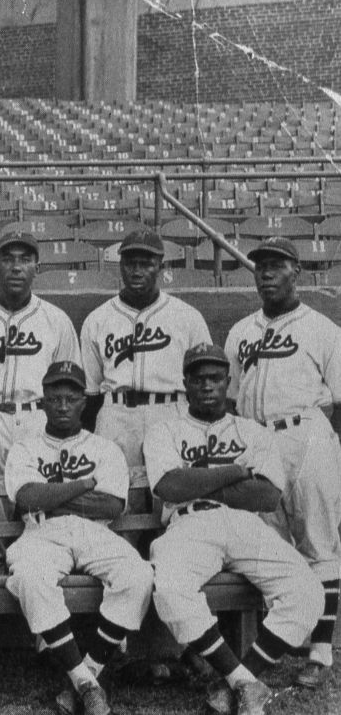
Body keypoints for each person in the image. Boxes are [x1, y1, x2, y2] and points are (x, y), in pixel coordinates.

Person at [144, 343, 324, 715]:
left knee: (306, 591)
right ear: (185, 384)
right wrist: (235, 472)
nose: (207, 386)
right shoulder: (164, 430)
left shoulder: (253, 431)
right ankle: (242, 682)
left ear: (228, 382)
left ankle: (240, 678)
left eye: (215, 378)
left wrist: (198, 478)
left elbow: (267, 496)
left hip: (245, 524)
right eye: (198, 379)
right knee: (171, 590)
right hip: (188, 524)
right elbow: (170, 488)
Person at [224, 236, 341, 688]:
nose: (267, 272)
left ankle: (321, 650)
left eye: (277, 265)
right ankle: (277, 639)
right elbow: (232, 401)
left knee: (319, 540)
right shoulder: (240, 332)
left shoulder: (323, 328)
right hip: (258, 438)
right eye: (261, 266)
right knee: (267, 542)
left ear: (297, 272)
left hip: (307, 433)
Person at [4, 361, 152, 715]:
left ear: (85, 402)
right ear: (42, 403)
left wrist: (54, 492)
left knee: (139, 575)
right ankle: (85, 683)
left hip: (95, 531)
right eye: (55, 398)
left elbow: (112, 504)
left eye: (71, 398)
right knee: (29, 577)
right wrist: (84, 484)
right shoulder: (24, 448)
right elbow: (27, 498)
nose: (63, 405)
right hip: (41, 532)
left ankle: (89, 673)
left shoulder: (104, 448)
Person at [0, 230, 79, 568]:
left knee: (37, 511)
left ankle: (30, 582)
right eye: (8, 259)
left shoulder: (56, 320)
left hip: (38, 419)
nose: (16, 267)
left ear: (37, 266)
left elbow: (74, 389)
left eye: (25, 259)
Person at [79, 228, 211, 474]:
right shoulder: (97, 319)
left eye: (146, 263)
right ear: (120, 266)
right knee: (116, 495)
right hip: (116, 414)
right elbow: (91, 391)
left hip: (171, 411)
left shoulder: (187, 317)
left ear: (161, 266)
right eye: (130, 263)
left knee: (172, 497)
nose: (137, 271)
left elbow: (205, 381)